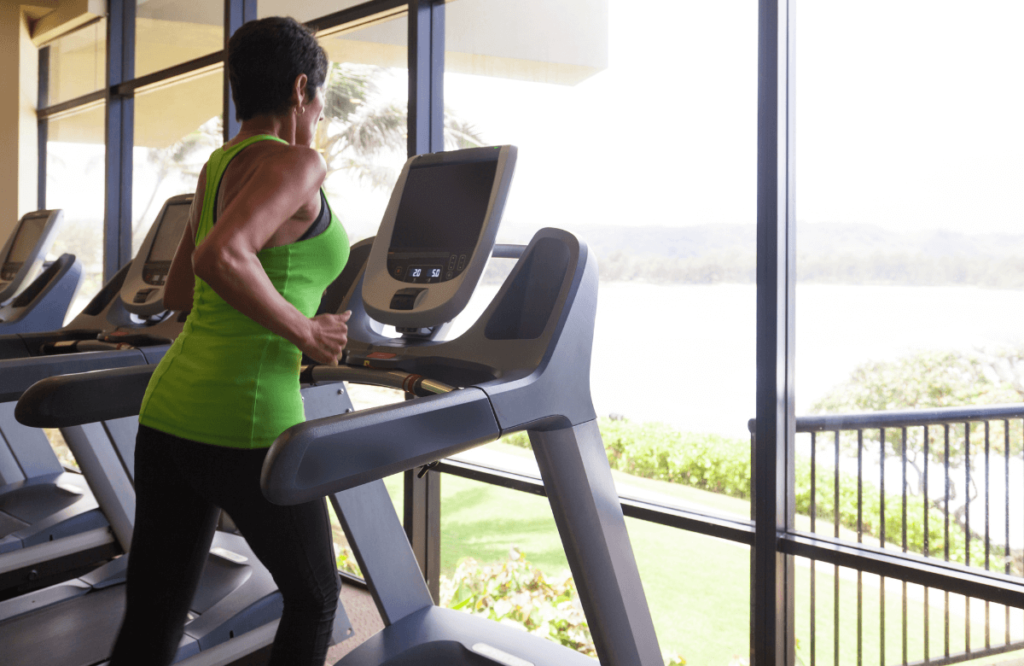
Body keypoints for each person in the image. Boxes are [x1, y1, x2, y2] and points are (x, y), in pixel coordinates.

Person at [109, 16, 351, 666]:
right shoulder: (300, 163)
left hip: (168, 416)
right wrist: (308, 331)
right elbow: (221, 257)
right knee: (315, 599)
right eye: (320, 97)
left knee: (154, 611)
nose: (320, 111)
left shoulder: (218, 165)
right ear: (302, 89)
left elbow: (179, 294)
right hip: (247, 424)